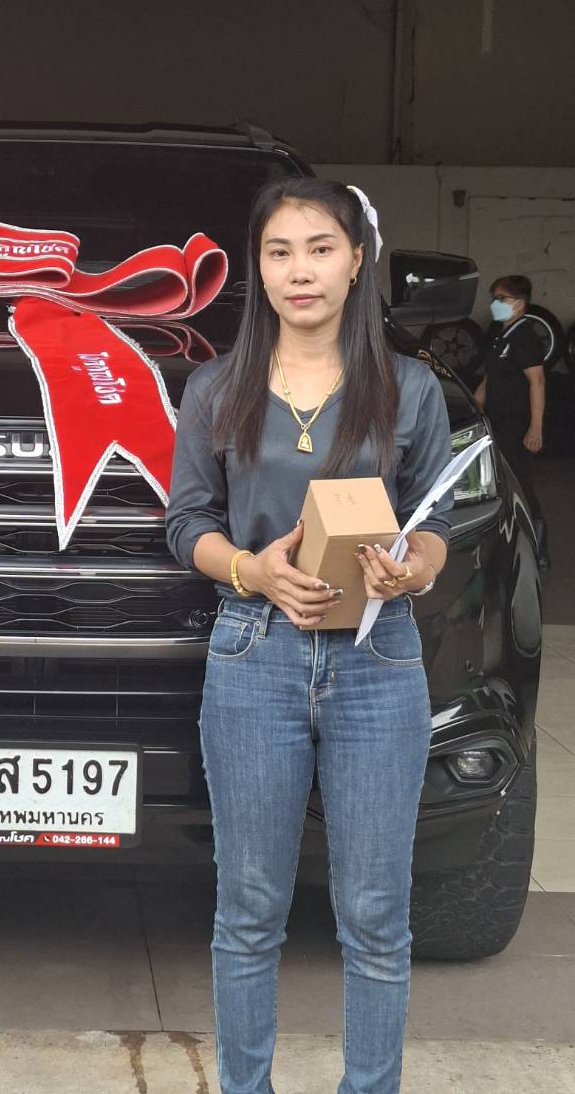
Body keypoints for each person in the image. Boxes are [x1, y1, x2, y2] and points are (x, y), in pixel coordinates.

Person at [166, 178, 452, 1094]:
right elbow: (186, 524)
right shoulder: (217, 387)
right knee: (250, 910)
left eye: (321, 248)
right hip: (254, 654)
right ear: (258, 267)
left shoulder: (408, 389)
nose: (301, 270)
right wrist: (252, 570)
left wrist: (411, 567)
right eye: (280, 251)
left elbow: (440, 524)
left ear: (357, 260)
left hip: (378, 656)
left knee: (375, 915)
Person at [473, 274, 549, 572]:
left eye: (501, 299)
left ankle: (539, 550)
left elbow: (537, 382)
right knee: (498, 485)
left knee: (521, 486)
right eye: (494, 298)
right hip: (497, 420)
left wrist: (535, 427)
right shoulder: (499, 334)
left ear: (519, 302)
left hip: (517, 424)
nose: (495, 303)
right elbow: (491, 376)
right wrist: (475, 405)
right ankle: (504, 546)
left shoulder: (525, 336)